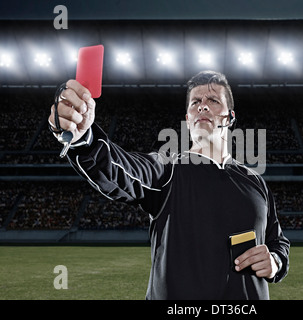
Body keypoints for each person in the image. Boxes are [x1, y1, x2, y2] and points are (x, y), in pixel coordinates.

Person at [48, 70, 290, 300]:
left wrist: (275, 262)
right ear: (188, 119)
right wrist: (85, 140)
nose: (202, 105)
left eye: (214, 100)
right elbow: (120, 169)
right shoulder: (167, 169)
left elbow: (277, 241)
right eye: (195, 102)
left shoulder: (256, 182)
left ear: (230, 117)